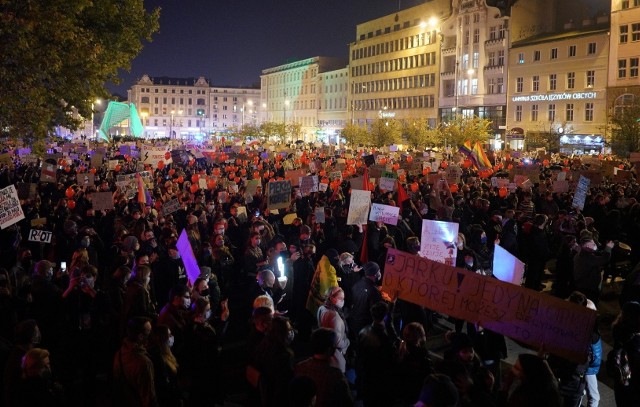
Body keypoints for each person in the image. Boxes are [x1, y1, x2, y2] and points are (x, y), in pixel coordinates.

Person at [293, 328, 353, 407]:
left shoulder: (299, 367)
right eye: (334, 346)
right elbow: (348, 402)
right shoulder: (336, 375)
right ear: (329, 349)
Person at [356, 301, 398, 407]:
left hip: (367, 380)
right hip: (381, 383)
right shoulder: (386, 339)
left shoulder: (362, 332)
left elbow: (359, 357)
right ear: (385, 317)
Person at [112, 317, 157, 407]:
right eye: (149, 332)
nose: (152, 335)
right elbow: (148, 398)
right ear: (141, 336)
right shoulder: (144, 362)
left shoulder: (119, 354)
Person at [148, 325, 183, 407]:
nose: (172, 337)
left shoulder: (167, 353)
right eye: (169, 335)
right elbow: (163, 386)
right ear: (162, 338)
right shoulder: (158, 358)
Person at [317, 286, 350, 372]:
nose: (342, 301)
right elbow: (337, 341)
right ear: (331, 297)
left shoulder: (322, 308)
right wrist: (347, 342)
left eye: (343, 299)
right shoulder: (334, 316)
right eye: (340, 298)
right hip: (336, 355)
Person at [573, 236, 614, 306]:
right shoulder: (587, 258)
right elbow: (604, 259)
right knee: (589, 305)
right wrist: (609, 247)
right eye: (592, 244)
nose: (594, 245)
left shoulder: (580, 254)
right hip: (588, 288)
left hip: (582, 285)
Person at [348, 261, 383, 341]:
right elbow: (377, 311)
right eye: (379, 271)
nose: (380, 273)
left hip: (354, 321)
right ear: (375, 274)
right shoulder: (374, 291)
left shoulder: (357, 284)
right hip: (365, 326)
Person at [306, 249, 340, 319]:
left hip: (314, 299)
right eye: (336, 258)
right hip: (320, 304)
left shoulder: (323, 262)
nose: (337, 260)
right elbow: (326, 292)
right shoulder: (328, 272)